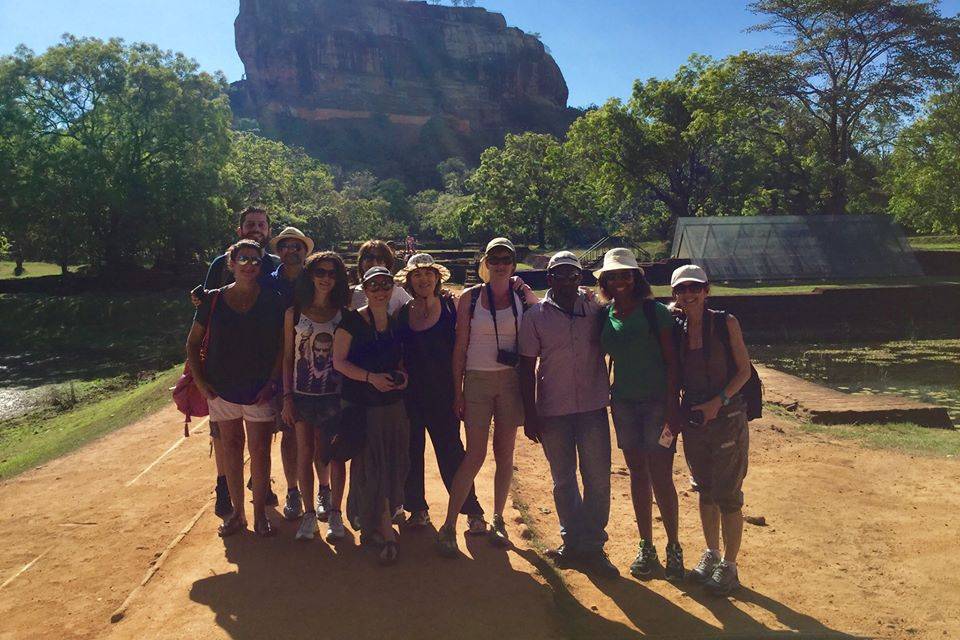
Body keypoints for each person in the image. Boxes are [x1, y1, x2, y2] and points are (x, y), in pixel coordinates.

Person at [518, 251, 618, 578]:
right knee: (563, 480)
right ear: (549, 279)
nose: (567, 281)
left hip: (591, 406)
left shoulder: (595, 311)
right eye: (560, 275)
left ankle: (592, 544)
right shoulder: (536, 316)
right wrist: (529, 413)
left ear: (580, 279)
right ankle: (573, 540)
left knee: (598, 479)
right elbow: (525, 366)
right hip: (554, 409)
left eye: (573, 276)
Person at [436, 238, 537, 557]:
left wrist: (526, 289)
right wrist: (458, 390)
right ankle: (450, 523)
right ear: (486, 262)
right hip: (478, 380)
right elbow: (460, 346)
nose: (501, 263)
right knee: (475, 455)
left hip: (510, 380)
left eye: (506, 258)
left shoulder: (521, 295)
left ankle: (498, 519)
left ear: (513, 262)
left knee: (505, 453)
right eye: (495, 258)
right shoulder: (472, 297)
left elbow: (541, 316)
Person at [186, 239, 285, 537]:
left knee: (260, 450)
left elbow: (281, 345)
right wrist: (202, 383)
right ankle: (237, 514)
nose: (250, 265)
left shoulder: (272, 299)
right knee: (230, 448)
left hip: (258, 389)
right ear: (230, 263)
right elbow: (192, 343)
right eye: (243, 259)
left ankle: (259, 516)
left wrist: (271, 381)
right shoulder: (212, 300)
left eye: (255, 260)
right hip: (220, 388)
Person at [597, 248, 685, 581]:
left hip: (655, 403)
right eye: (614, 275)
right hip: (623, 402)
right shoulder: (607, 314)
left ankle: (674, 545)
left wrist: (673, 405)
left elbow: (672, 360)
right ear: (606, 281)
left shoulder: (655, 312)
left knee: (661, 474)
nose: (621, 280)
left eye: (626, 274)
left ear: (636, 277)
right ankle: (646, 545)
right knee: (637, 473)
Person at [670, 264, 753, 596]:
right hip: (695, 420)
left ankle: (730, 566)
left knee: (728, 494)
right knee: (704, 489)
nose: (689, 294)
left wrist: (719, 401)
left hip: (727, 416)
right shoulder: (677, 326)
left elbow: (744, 371)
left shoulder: (725, 323)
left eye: (695, 288)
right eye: (682, 289)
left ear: (707, 290)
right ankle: (712, 554)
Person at [394, 254, 486, 532]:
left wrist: (459, 392)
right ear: (409, 280)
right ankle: (417, 509)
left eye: (428, 274)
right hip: (411, 395)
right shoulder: (402, 313)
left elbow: (463, 347)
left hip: (443, 393)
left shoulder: (451, 306)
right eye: (417, 275)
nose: (423, 279)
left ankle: (472, 511)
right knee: (411, 452)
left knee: (451, 452)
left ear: (437, 277)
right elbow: (398, 355)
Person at [333, 266, 411, 566]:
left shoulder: (392, 322)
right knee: (371, 467)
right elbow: (338, 362)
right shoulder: (352, 322)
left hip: (391, 405)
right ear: (364, 289)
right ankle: (383, 529)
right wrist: (370, 378)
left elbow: (399, 362)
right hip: (364, 405)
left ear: (392, 287)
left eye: (385, 284)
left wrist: (401, 377)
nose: (380, 290)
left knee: (392, 462)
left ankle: (378, 522)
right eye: (373, 285)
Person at [280, 252, 351, 542]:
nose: (325, 278)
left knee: (333, 455)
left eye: (332, 273)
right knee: (304, 453)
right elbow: (286, 358)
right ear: (310, 275)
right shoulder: (294, 313)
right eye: (320, 271)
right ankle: (309, 513)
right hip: (301, 395)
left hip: (333, 396)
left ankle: (335, 512)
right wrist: (286, 397)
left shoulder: (343, 314)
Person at [266, 227, 315, 522]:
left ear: (304, 251)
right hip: (277, 364)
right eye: (286, 246)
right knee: (288, 432)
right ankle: (293, 490)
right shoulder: (268, 284)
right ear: (279, 251)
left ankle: (321, 490)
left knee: (315, 433)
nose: (291, 251)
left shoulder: (314, 280)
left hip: (312, 364)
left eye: (297, 246)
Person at [350, 240, 412, 314]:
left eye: (380, 259)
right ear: (361, 262)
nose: (374, 263)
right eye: (369, 258)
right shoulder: (352, 293)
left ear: (387, 263)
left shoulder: (397, 291)